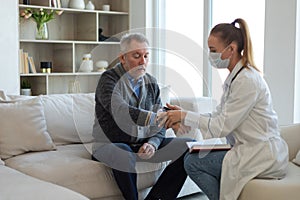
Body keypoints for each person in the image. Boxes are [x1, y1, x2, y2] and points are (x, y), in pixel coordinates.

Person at [160, 18, 289, 200]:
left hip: (261, 155)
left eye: (213, 50)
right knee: (190, 156)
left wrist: (184, 115)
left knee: (193, 163)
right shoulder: (237, 78)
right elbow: (218, 115)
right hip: (248, 149)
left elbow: (222, 127)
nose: (210, 55)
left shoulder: (247, 81)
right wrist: (182, 117)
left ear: (231, 49)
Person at [92, 32, 192, 200]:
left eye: (146, 56)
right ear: (122, 58)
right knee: (123, 151)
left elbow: (158, 127)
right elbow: (121, 112)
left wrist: (152, 143)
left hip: (141, 144)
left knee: (189, 147)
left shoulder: (151, 83)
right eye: (136, 56)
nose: (143, 61)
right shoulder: (108, 80)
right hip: (109, 145)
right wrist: (159, 117)